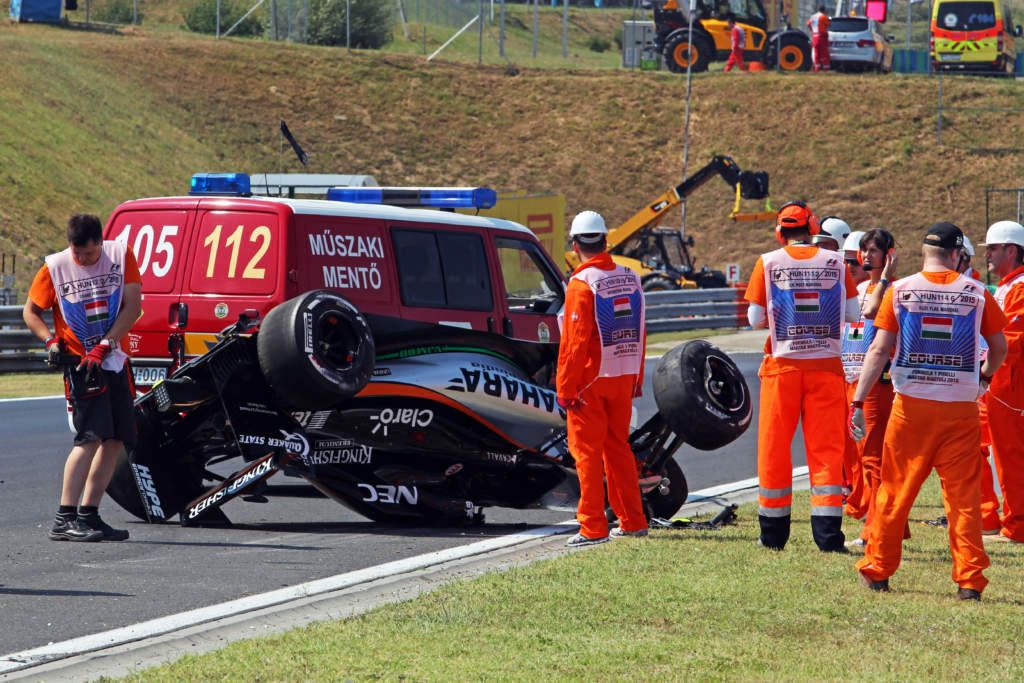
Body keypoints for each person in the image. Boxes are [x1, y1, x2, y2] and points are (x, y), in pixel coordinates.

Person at [851, 222, 1007, 598]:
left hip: (911, 408)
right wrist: (983, 378)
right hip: (960, 408)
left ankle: (878, 570)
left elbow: (877, 351)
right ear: (956, 255)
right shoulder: (976, 292)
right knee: (963, 498)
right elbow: (999, 348)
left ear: (924, 253)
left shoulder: (900, 290)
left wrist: (858, 400)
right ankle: (969, 581)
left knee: (894, 491)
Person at [745, 201, 860, 552]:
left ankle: (773, 537)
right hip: (826, 367)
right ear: (813, 228)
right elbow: (853, 313)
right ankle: (827, 538)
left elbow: (755, 319)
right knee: (827, 451)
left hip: (782, 368)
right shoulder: (837, 262)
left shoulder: (767, 262)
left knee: (773, 450)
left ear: (780, 232)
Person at [23, 214, 142, 542]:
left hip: (113, 358)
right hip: (80, 365)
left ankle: (90, 513)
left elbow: (133, 307)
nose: (83, 260)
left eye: (89, 254)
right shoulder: (55, 266)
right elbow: (31, 311)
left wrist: (105, 345)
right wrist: (50, 341)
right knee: (89, 437)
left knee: (116, 439)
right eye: (78, 254)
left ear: (100, 243)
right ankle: (65, 517)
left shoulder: (121, 255)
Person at [557, 211, 648, 547]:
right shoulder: (632, 277)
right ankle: (633, 520)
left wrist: (565, 389)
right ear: (605, 241)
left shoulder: (582, 283)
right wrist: (636, 378)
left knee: (587, 455)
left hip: (590, 381)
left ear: (575, 243)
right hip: (623, 376)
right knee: (619, 449)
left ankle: (593, 528)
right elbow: (640, 331)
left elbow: (574, 343)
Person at [840, 229, 902, 547]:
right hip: (856, 377)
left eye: (873, 251)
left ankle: (875, 530)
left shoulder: (892, 288)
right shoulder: (863, 286)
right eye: (863, 250)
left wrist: (886, 277)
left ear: (889, 255)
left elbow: (868, 312)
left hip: (881, 380)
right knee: (866, 456)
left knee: (874, 458)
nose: (865, 256)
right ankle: (887, 524)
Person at [980, 220, 1024, 543]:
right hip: (1003, 382)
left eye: (993, 249)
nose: (988, 256)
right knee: (1006, 457)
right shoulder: (1010, 285)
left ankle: (1017, 525)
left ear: (1012, 250)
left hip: (1011, 385)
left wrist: (983, 368)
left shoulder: (1020, 287)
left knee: (1011, 457)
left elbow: (1011, 337)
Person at [807, 4, 831, 72]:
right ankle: (826, 68)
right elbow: (828, 24)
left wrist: (812, 30)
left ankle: (817, 68)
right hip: (822, 36)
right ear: (824, 10)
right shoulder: (823, 17)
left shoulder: (813, 17)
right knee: (824, 53)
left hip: (815, 36)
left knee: (816, 52)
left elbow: (808, 24)